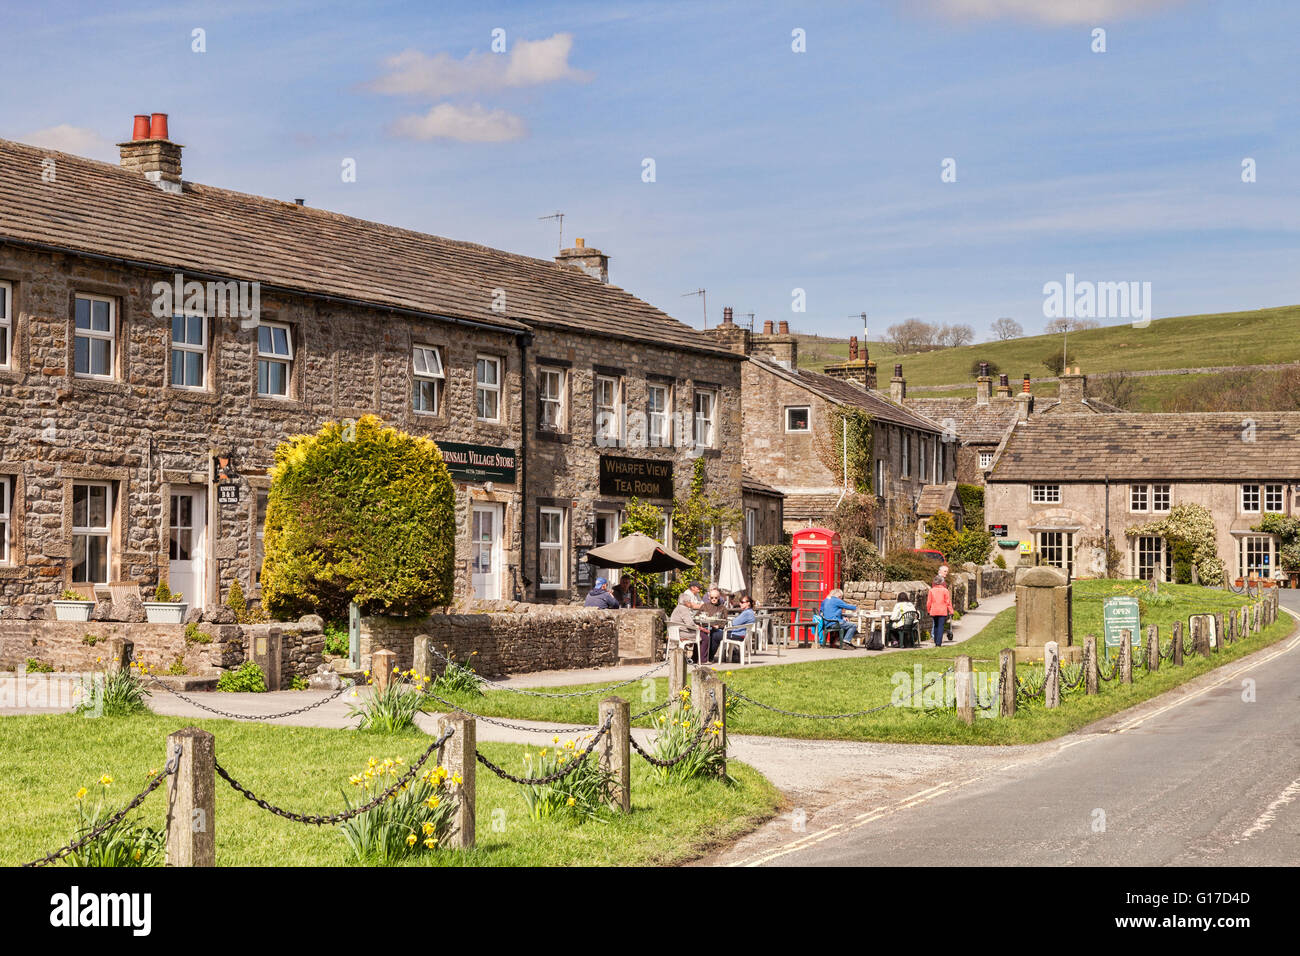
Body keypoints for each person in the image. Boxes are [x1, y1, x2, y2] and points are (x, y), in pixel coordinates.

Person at [670, 582, 707, 661]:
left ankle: (696, 658)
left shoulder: (678, 608)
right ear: (686, 602)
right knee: (704, 637)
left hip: (675, 632)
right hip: (682, 633)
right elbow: (690, 624)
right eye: (689, 602)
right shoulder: (684, 609)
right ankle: (702, 660)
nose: (691, 603)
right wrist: (699, 628)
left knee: (701, 634)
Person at [927, 578, 953, 647]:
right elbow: (948, 602)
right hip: (942, 611)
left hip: (934, 610)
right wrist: (951, 611)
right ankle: (939, 643)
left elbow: (929, 602)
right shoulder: (945, 590)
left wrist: (928, 610)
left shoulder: (931, 590)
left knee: (935, 625)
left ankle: (936, 641)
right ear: (942, 582)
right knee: (940, 626)